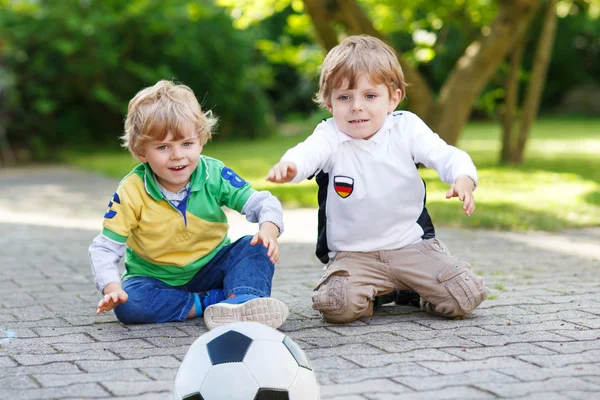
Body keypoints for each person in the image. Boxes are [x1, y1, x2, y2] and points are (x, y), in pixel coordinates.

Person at [266, 35, 488, 323]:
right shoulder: (330, 135)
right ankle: (376, 293)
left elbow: (445, 154)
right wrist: (291, 166)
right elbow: (308, 153)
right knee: (336, 306)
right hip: (355, 255)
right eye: (345, 97)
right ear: (329, 103)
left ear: (393, 98)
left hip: (411, 247)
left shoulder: (405, 128)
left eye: (370, 96)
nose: (357, 106)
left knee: (466, 296)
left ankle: (416, 291)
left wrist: (463, 179)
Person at [89, 80, 288, 329]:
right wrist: (112, 288)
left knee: (254, 246)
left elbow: (262, 201)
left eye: (186, 143)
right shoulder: (131, 191)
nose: (177, 155)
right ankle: (213, 302)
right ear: (142, 152)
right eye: (163, 147)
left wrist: (269, 228)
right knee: (130, 304)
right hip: (156, 278)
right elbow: (104, 249)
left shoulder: (213, 173)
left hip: (211, 265)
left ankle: (245, 300)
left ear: (201, 140)